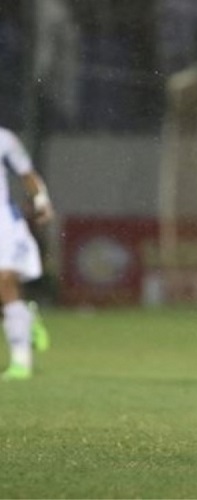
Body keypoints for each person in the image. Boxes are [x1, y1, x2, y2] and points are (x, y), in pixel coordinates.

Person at [0, 127, 53, 381]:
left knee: (5, 281)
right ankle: (26, 319)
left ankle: (21, 363)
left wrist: (41, 202)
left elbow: (27, 173)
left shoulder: (4, 139)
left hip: (4, 224)